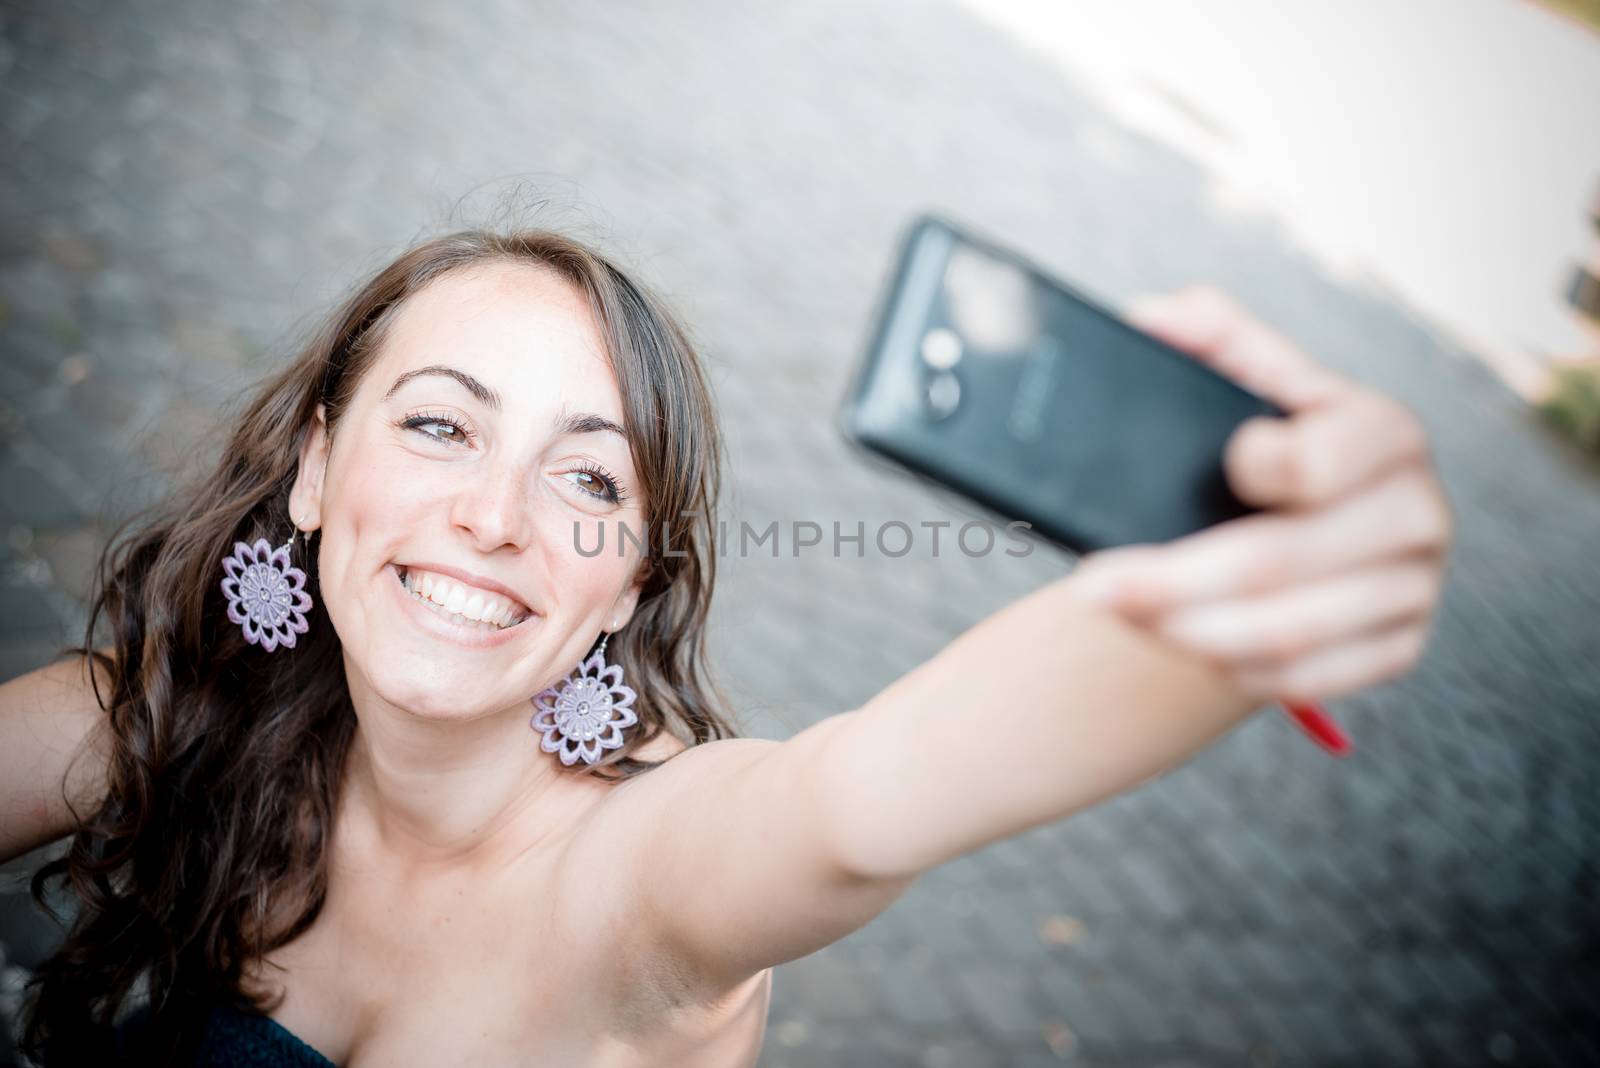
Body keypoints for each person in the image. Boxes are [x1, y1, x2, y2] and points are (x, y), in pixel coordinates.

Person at [0, 229, 1452, 1066]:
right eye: (440, 424)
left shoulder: (646, 872)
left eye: (589, 479)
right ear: (317, 472)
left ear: (630, 580)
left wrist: (1247, 592)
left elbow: (863, 801)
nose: (493, 516)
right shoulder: (178, 710)